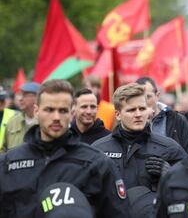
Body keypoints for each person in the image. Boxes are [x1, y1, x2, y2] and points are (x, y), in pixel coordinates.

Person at [0, 79, 128, 218]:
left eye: (62, 110)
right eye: (49, 109)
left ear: (71, 112)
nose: (56, 117)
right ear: (37, 111)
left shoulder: (97, 164)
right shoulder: (8, 164)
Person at [92, 83, 187, 215]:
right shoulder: (98, 150)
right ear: (118, 115)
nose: (138, 114)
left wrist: (170, 175)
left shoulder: (169, 147)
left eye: (142, 109)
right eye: (131, 110)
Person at [136, 77, 188, 153]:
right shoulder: (129, 120)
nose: (143, 102)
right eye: (139, 98)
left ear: (157, 96)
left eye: (148, 97)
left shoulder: (177, 120)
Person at [1, 82, 40, 153]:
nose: (20, 99)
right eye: (20, 95)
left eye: (25, 95)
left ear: (37, 98)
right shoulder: (12, 122)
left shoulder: (44, 122)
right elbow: (4, 150)